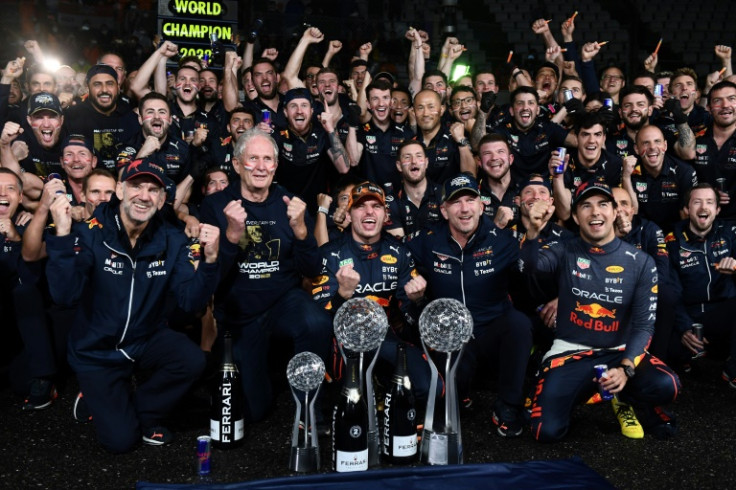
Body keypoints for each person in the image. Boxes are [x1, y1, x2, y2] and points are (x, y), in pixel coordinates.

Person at [44, 157, 222, 453]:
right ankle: (99, 396)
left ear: (163, 198)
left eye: (153, 190)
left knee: (191, 360)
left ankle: (142, 411)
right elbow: (64, 296)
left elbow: (190, 301)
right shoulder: (92, 232)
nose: (144, 195)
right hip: (96, 351)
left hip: (143, 338)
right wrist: (62, 237)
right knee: (121, 442)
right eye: (136, 186)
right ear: (119, 190)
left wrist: (211, 262)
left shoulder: (171, 240)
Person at [520, 179, 680, 442]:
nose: (595, 212)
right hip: (570, 353)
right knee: (545, 432)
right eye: (586, 206)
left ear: (615, 211)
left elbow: (643, 326)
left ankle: (622, 395)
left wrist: (626, 369)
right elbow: (529, 267)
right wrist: (534, 232)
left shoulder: (641, 262)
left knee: (667, 385)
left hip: (618, 353)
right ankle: (576, 393)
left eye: (603, 204)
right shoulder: (563, 249)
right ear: (574, 215)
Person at [198, 128, 332, 423]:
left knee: (316, 322)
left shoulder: (291, 204)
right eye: (253, 158)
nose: (261, 166)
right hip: (239, 313)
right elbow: (210, 278)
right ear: (236, 164)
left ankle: (311, 411)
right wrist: (232, 238)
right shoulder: (215, 206)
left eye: (268, 159)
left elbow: (312, 270)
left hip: (283, 302)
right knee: (253, 411)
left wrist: (301, 232)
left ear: (276, 165)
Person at [408, 173, 533, 437]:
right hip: (451, 334)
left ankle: (508, 405)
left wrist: (555, 298)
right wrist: (412, 290)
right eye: (456, 202)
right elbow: (398, 263)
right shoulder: (428, 240)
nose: (464, 209)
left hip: (492, 328)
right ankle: (460, 393)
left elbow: (539, 270)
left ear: (481, 205)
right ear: (444, 210)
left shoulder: (503, 240)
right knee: (448, 396)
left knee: (519, 324)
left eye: (470, 200)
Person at [312, 181, 430, 398]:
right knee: (352, 399)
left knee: (428, 387)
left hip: (385, 337)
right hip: (343, 340)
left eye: (375, 206)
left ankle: (385, 387)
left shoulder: (400, 253)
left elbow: (410, 320)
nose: (368, 211)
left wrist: (418, 301)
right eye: (360, 206)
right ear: (348, 215)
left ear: (385, 216)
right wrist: (341, 296)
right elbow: (316, 322)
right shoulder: (329, 254)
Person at [666, 184, 736, 386]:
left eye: (709, 202)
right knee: (672, 353)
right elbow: (670, 291)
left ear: (717, 209)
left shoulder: (729, 232)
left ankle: (732, 371)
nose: (703, 207)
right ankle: (690, 356)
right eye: (697, 202)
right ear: (687, 209)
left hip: (722, 315)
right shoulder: (671, 241)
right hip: (690, 317)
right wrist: (684, 328)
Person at [491, 87, 575, 185]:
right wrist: (483, 112)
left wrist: (582, 116)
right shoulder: (502, 130)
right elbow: (477, 146)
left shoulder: (548, 128)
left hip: (544, 191)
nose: (525, 107)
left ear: (538, 110)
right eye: (520, 103)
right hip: (512, 192)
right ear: (511, 111)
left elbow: (578, 142)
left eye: (531, 103)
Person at [64, 64, 140, 171]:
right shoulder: (72, 116)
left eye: (110, 84)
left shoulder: (130, 116)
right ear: (88, 88)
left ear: (118, 87)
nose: (104, 90)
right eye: (97, 84)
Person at [624, 125, 696, 234]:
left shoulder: (684, 171)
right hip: (642, 234)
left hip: (676, 234)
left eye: (657, 141)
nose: (652, 147)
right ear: (636, 149)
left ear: (665, 145)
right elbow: (633, 212)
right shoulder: (630, 171)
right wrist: (625, 176)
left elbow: (686, 216)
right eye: (646, 143)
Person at [347, 79, 414, 193]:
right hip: (368, 199)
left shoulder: (406, 133)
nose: (381, 104)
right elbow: (353, 161)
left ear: (391, 102)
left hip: (398, 201)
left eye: (385, 98)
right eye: (375, 99)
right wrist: (352, 125)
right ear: (368, 104)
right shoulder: (362, 131)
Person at [681, 81, 736, 220]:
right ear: (709, 108)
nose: (725, 105)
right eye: (718, 101)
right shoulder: (694, 138)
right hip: (700, 223)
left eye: (732, 99)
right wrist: (708, 195)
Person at [411, 89, 476, 184]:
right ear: (414, 112)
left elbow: (471, 177)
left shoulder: (455, 138)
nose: (425, 113)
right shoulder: (410, 142)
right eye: (420, 108)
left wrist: (461, 142)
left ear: (442, 110)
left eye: (431, 107)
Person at [384, 140, 443, 239]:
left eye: (418, 156)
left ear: (426, 163)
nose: (414, 161)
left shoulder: (443, 194)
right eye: (407, 157)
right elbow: (398, 246)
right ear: (399, 166)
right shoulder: (391, 202)